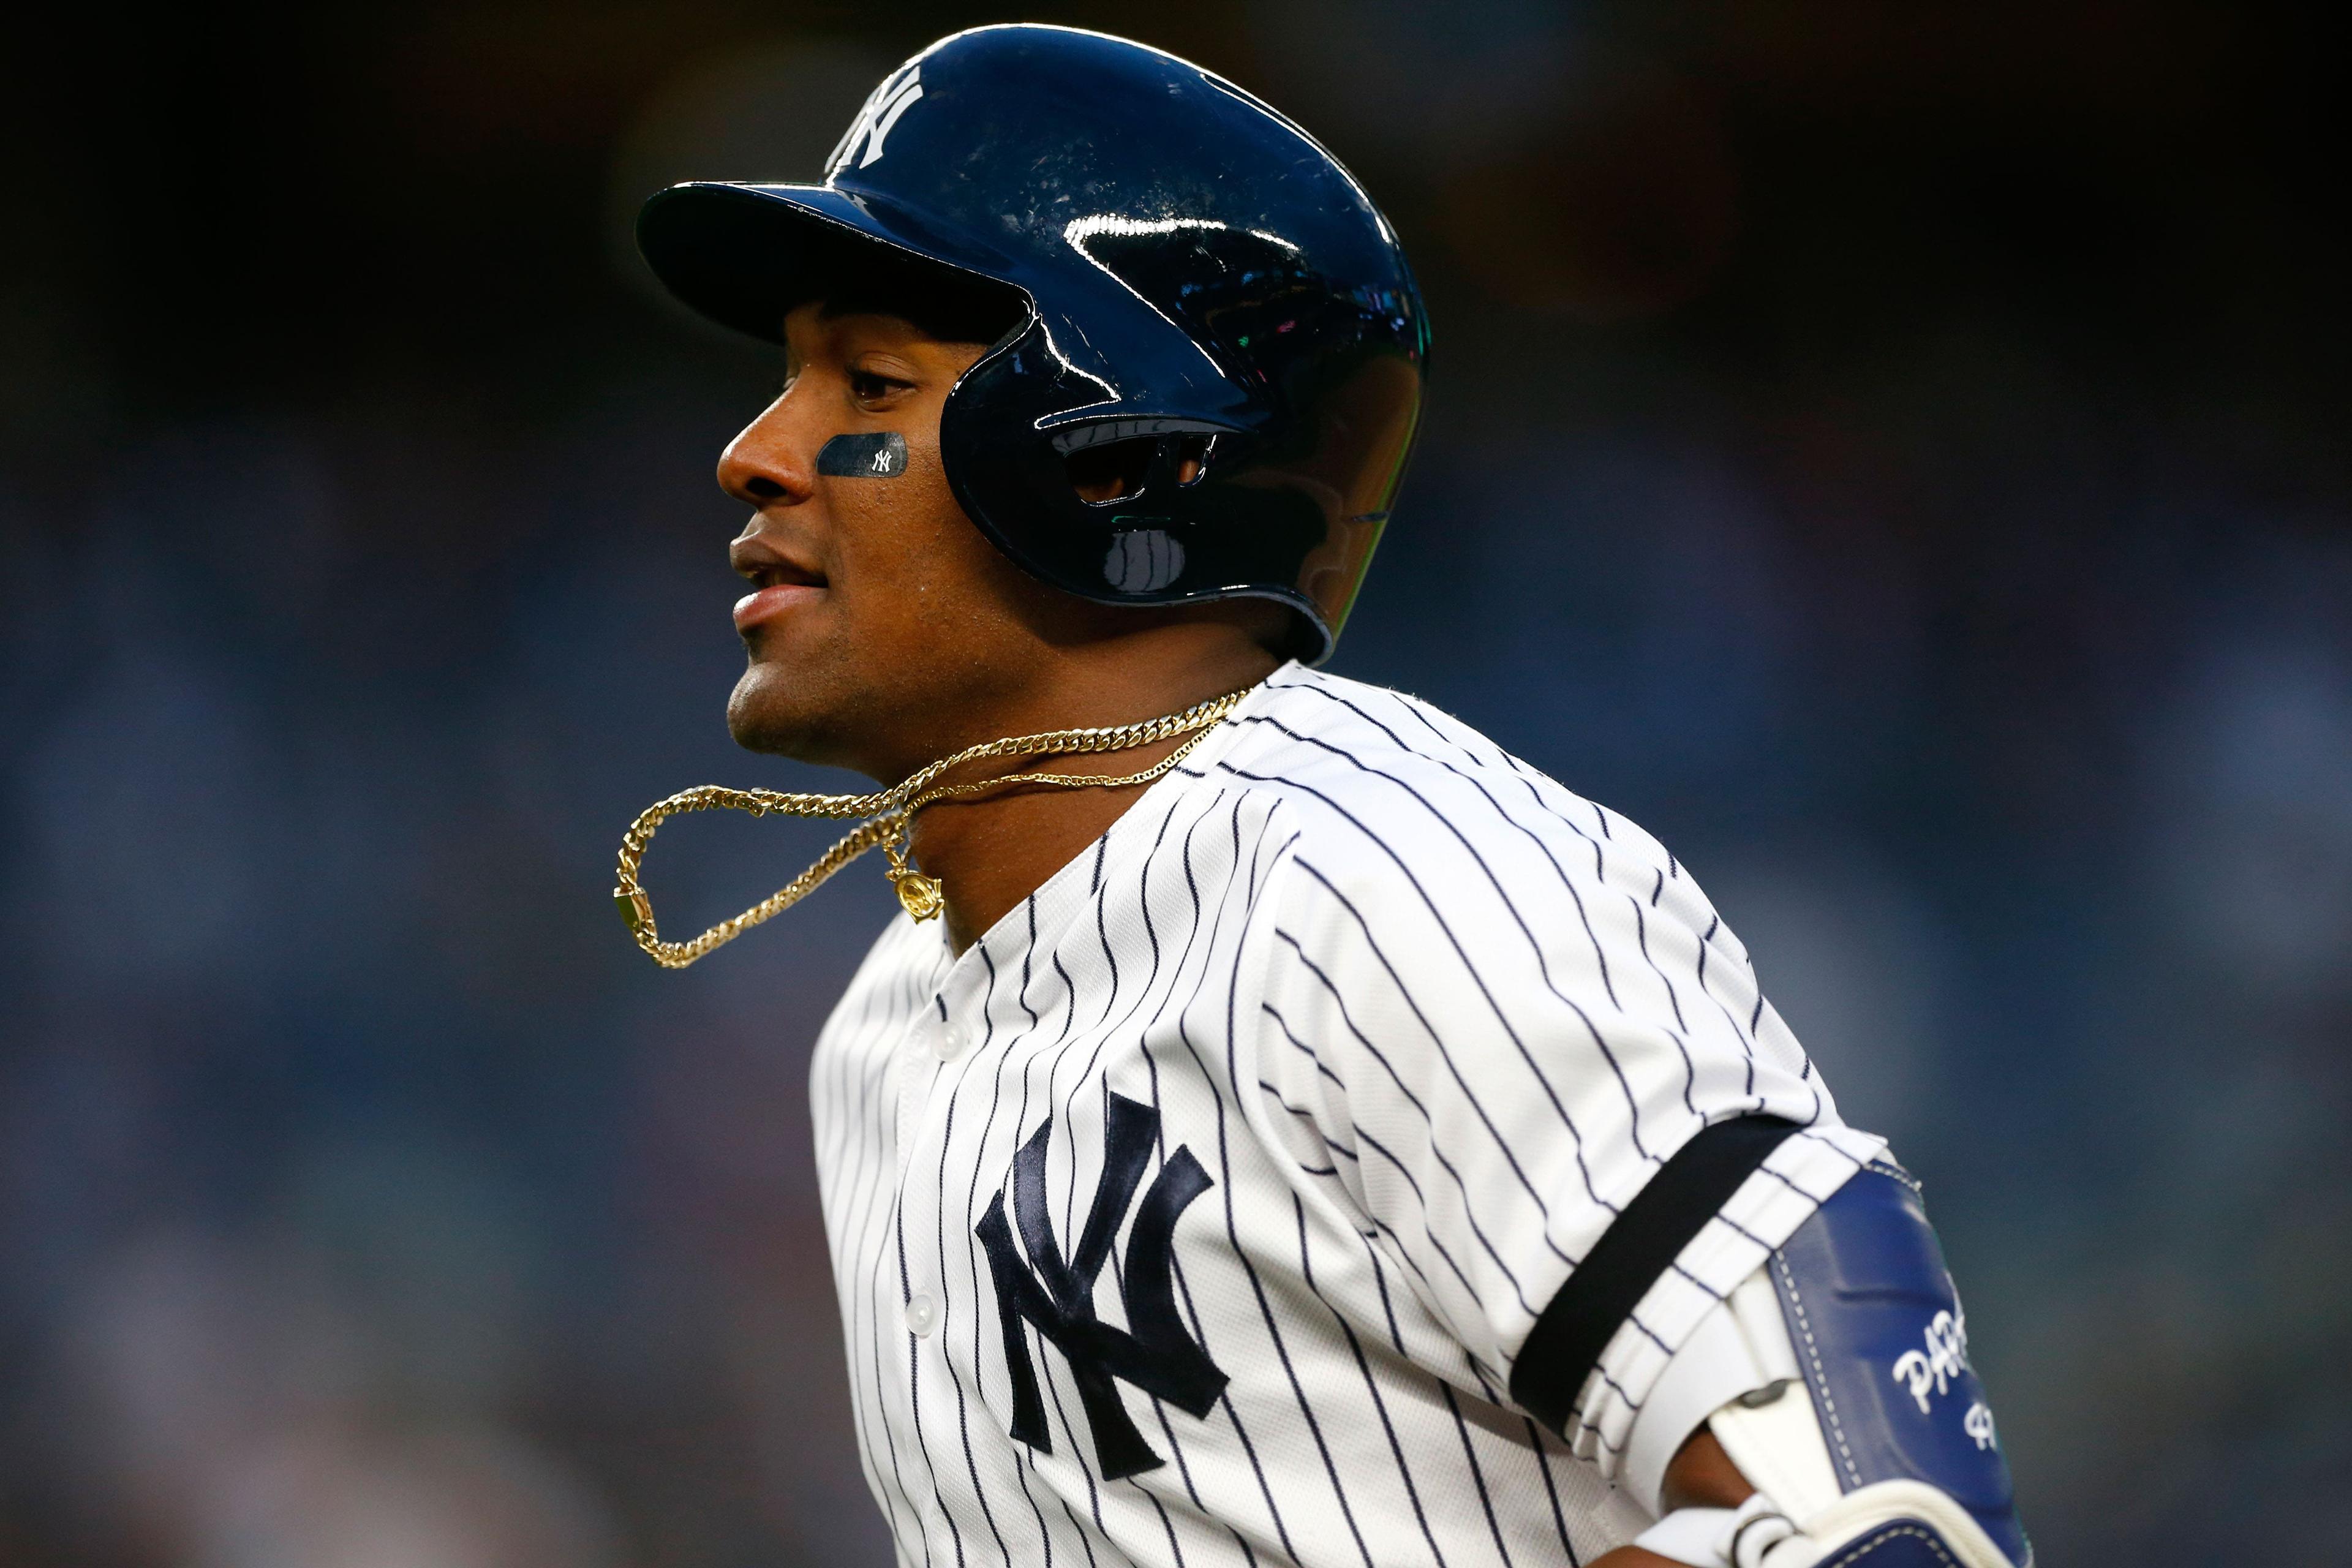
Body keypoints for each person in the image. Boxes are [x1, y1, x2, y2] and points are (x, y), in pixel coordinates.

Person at [627, 24, 2030, 1568]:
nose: (755, 454)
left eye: (869, 380)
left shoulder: (1391, 880)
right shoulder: (884, 1032)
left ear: (1106, 459)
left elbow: (1889, 1517)